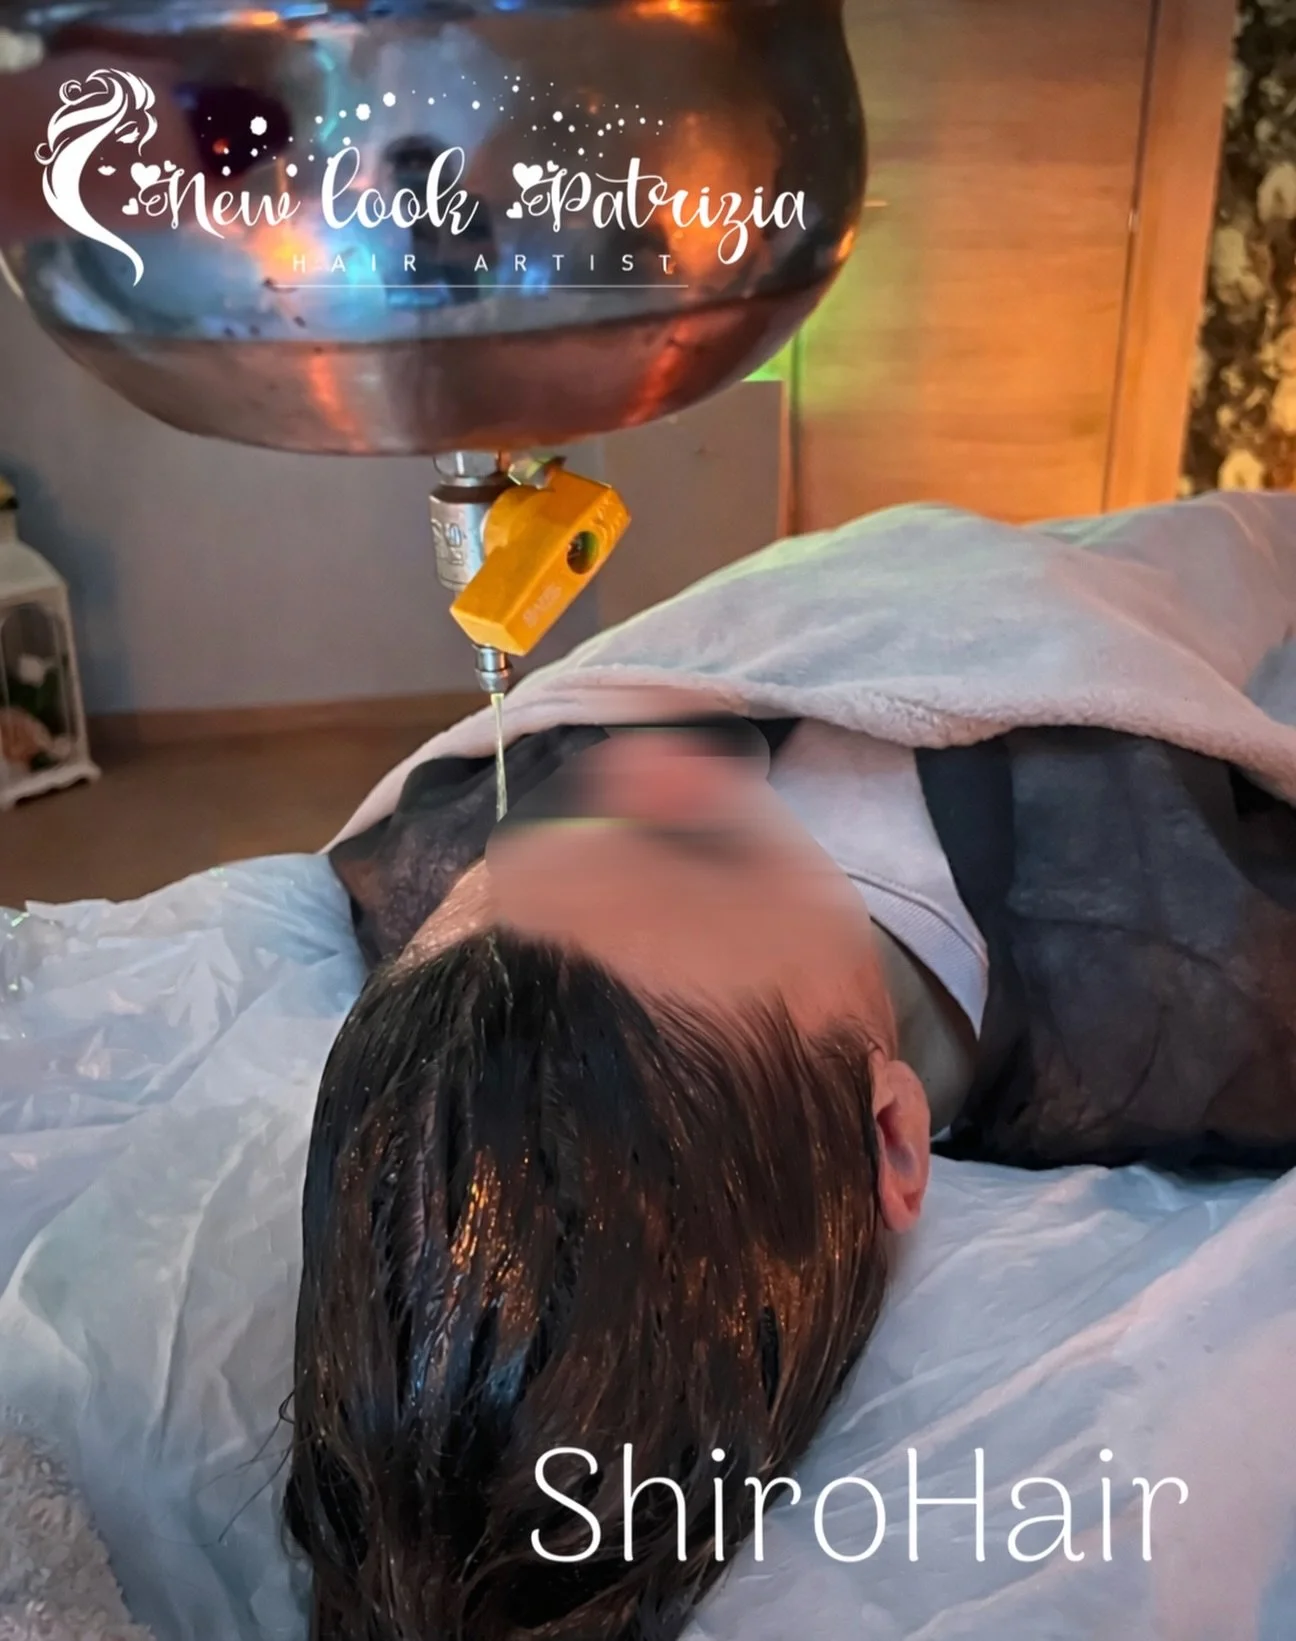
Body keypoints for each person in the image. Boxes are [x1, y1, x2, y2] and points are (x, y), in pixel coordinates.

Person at [284, 491, 1296, 1641]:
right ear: (890, 1139)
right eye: (678, 864)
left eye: (501, 869)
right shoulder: (1176, 971)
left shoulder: (441, 907)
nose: (594, 795)